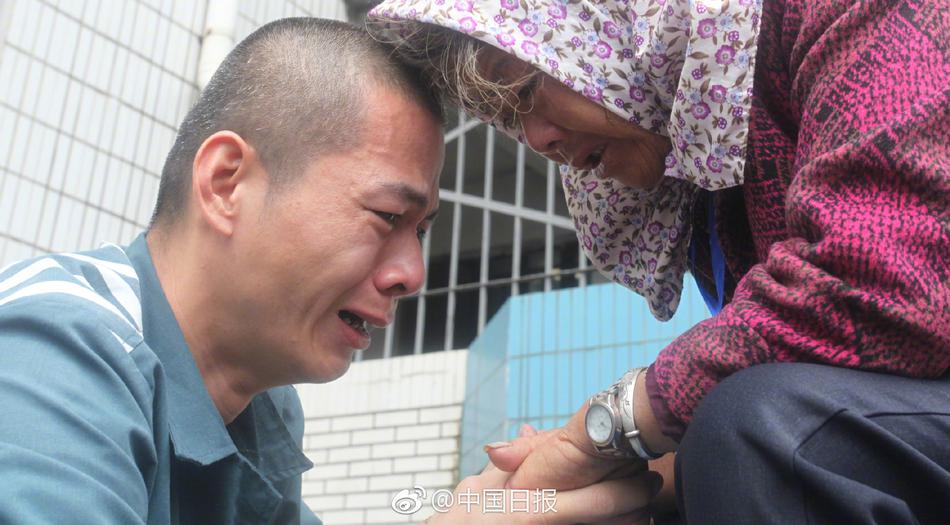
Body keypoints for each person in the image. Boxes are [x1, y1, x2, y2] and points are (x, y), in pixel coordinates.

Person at [0, 16, 660, 525]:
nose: (412, 272)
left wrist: (488, 507)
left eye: (423, 231)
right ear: (227, 182)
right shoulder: (53, 349)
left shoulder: (265, 412)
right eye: (384, 216)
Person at [368, 0, 950, 523]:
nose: (538, 140)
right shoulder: (708, 180)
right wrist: (574, 488)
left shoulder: (845, 12)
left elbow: (878, 286)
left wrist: (601, 434)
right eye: (509, 123)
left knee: (752, 423)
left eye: (524, 91)